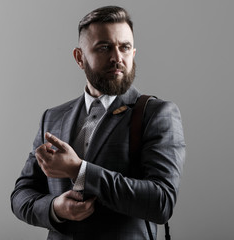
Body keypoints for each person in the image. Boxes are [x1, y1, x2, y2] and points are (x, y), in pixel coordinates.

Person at [11, 5, 185, 240]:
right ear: (79, 57)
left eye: (124, 47)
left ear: (133, 53)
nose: (117, 58)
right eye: (104, 47)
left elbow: (161, 203)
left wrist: (78, 170)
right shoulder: (52, 118)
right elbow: (21, 195)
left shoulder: (155, 113)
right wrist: (56, 209)